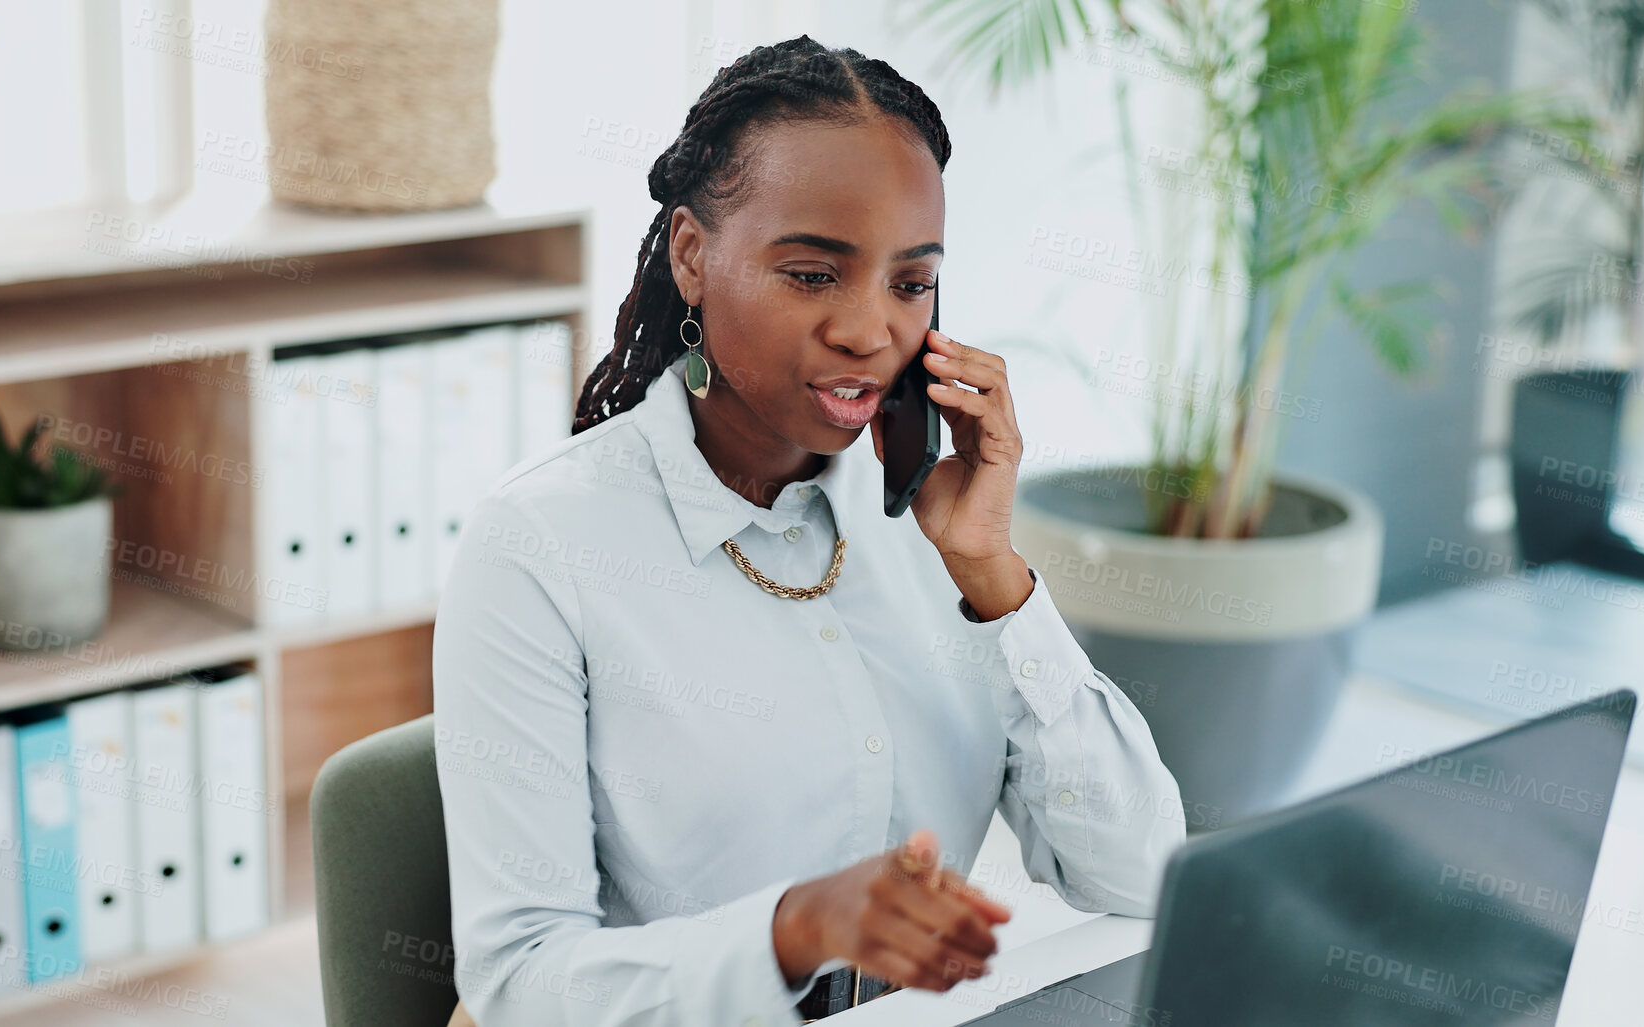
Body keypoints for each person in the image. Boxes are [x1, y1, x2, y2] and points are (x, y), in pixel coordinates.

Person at [432, 34, 1185, 1027]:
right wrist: (793, 930)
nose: (871, 331)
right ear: (694, 256)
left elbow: (1141, 878)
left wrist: (992, 574)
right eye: (813, 275)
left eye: (908, 284)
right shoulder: (540, 546)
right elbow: (519, 985)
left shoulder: (928, 518)